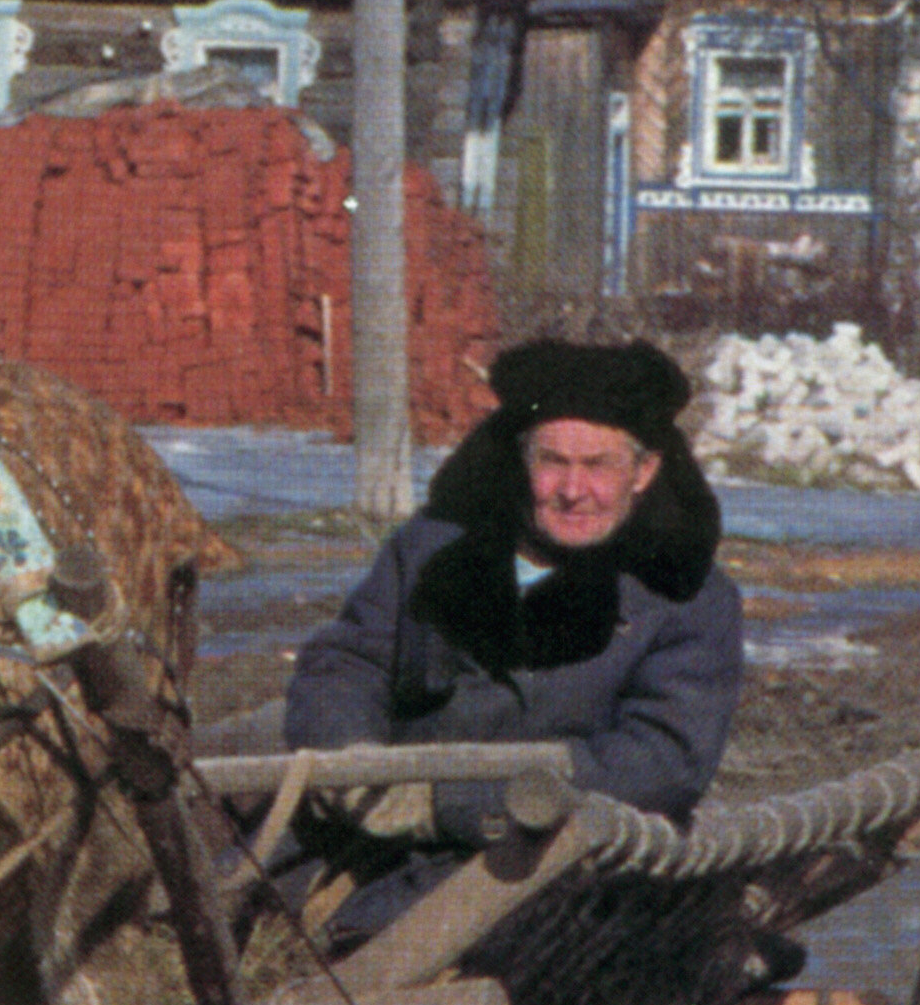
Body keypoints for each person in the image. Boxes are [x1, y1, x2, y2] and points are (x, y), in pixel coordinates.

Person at [281, 337, 742, 950]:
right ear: (522, 460)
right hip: (376, 829)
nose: (573, 490)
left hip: (551, 867)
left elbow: (661, 762)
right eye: (553, 461)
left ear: (645, 471)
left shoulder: (685, 597)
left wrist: (448, 804)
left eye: (598, 465)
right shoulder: (434, 548)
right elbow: (348, 659)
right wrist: (350, 761)